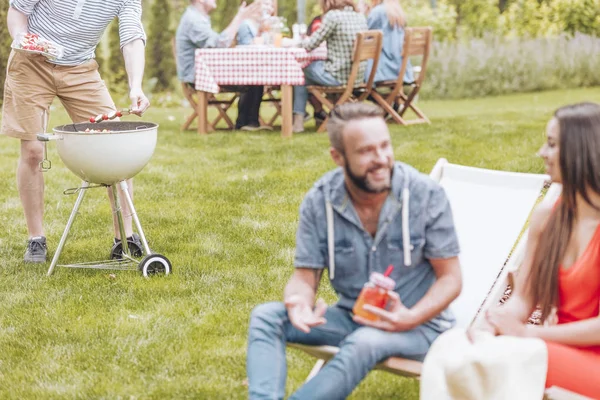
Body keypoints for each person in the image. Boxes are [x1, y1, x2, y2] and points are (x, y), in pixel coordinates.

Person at [246, 102, 462, 399]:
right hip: (353, 317)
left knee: (365, 342)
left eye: (385, 146)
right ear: (338, 157)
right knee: (266, 316)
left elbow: (451, 279)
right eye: (366, 151)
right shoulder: (320, 201)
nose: (381, 158)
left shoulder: (425, 196)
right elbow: (304, 277)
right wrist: (298, 302)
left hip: (419, 327)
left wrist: (409, 318)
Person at [460, 102, 600, 398]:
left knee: (510, 360)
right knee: (456, 349)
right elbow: (523, 299)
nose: (542, 153)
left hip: (579, 357)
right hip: (553, 348)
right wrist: (491, 326)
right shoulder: (547, 218)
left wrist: (530, 334)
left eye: (551, 145)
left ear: (580, 151)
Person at [2, 0, 150, 263]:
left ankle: (124, 238)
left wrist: (135, 86)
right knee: (34, 150)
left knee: (114, 147)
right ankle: (36, 239)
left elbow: (132, 36)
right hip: (31, 63)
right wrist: (24, 39)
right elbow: (18, 12)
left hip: (80, 67)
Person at [176, 0, 264, 131]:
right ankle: (246, 123)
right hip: (198, 76)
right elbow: (219, 44)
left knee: (254, 74)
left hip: (205, 72)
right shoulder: (193, 20)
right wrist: (239, 17)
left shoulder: (198, 17)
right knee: (253, 76)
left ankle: (248, 122)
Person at [291, 0, 367, 133]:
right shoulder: (359, 16)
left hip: (338, 77)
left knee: (300, 70)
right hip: (357, 76)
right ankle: (318, 113)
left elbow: (311, 44)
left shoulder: (333, 16)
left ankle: (299, 120)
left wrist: (296, 44)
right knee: (304, 77)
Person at [363, 0, 414, 85]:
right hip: (401, 70)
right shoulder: (398, 12)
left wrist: (363, 14)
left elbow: (364, 36)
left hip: (382, 71)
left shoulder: (378, 11)